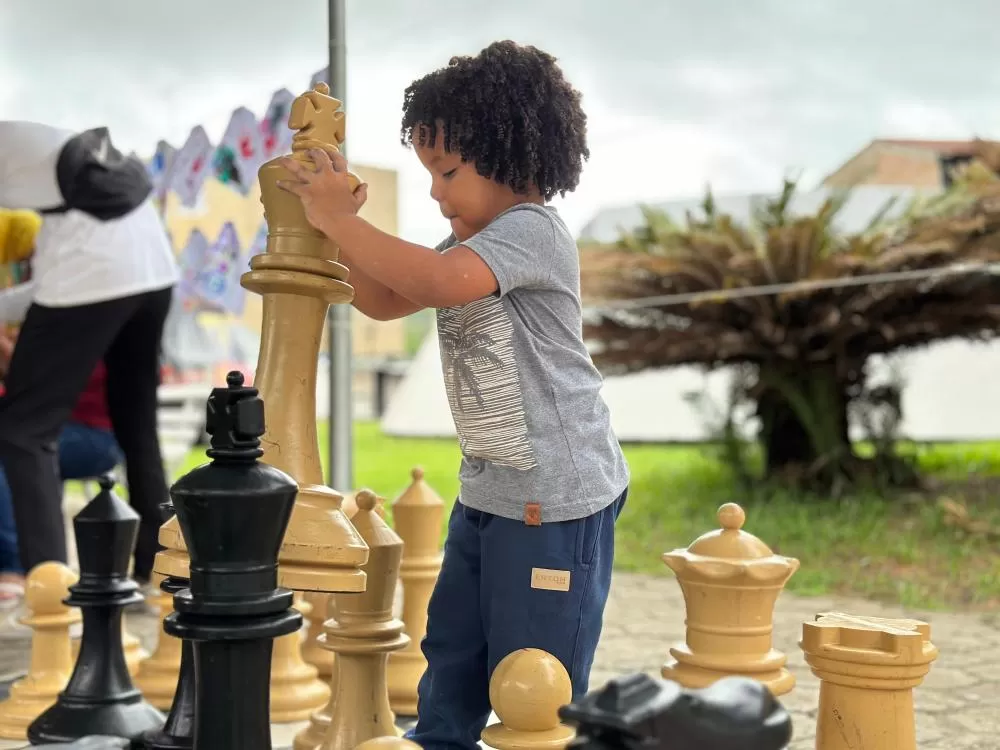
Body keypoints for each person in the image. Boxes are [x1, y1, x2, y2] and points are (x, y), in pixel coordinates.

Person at [278, 40, 630, 750]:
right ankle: (438, 739)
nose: (436, 193)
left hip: (555, 500)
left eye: (447, 172)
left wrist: (342, 221)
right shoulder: (466, 246)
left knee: (535, 675)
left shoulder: (530, 233)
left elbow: (436, 285)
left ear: (512, 156)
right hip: (491, 492)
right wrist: (330, 219)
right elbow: (382, 298)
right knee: (454, 650)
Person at [0, 121, 179, 585]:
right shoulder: (40, 154)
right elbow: (49, 284)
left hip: (98, 270)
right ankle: (158, 570)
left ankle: (47, 588)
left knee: (23, 430)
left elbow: (76, 283)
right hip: (153, 269)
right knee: (136, 425)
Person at [0, 330, 121, 605]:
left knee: (13, 448)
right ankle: (36, 566)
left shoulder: (84, 328)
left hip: (94, 434)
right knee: (19, 446)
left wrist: (13, 354)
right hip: (55, 429)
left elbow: (40, 385)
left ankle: (16, 566)